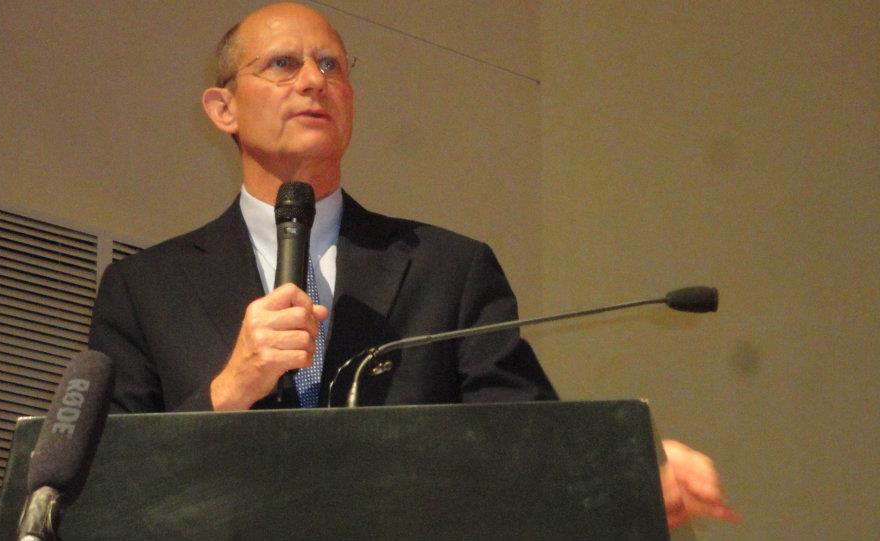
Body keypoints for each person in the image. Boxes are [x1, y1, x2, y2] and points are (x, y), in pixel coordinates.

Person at [88, 1, 737, 529]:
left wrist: (630, 478)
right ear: (222, 108)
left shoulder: (449, 271)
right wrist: (229, 390)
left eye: (331, 65)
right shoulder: (144, 289)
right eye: (283, 64)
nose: (314, 81)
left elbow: (523, 448)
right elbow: (97, 491)